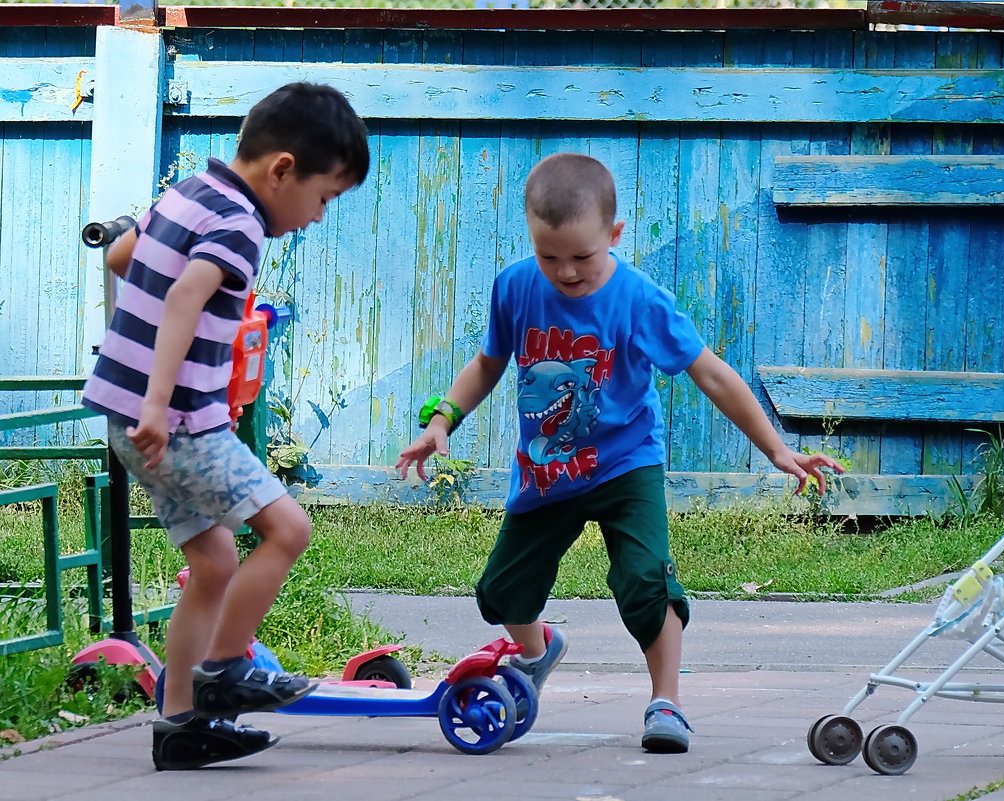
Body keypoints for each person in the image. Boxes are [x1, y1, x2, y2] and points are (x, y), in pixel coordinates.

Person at [396, 152, 844, 754]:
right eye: (548, 256)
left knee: (644, 581)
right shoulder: (515, 287)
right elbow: (488, 363)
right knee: (501, 591)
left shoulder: (639, 300)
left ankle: (667, 701)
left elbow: (710, 374)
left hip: (627, 464)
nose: (566, 272)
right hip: (546, 472)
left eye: (582, 256)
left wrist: (774, 448)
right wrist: (443, 417)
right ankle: (536, 652)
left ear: (614, 234)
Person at [82, 82, 371, 771]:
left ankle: (180, 721)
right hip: (174, 422)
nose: (318, 217)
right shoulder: (240, 224)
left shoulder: (186, 193)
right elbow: (185, 294)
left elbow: (125, 259)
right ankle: (226, 667)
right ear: (281, 169)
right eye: (324, 197)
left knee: (214, 563)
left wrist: (147, 397)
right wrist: (160, 401)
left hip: (130, 418)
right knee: (288, 528)